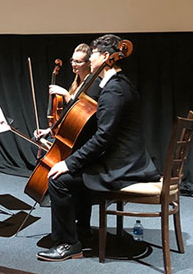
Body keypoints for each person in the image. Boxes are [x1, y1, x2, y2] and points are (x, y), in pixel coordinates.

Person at [36, 34, 160, 261]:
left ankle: (68, 243)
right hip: (126, 159)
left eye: (92, 55)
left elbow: (103, 138)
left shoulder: (114, 90)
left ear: (105, 57)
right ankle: (82, 231)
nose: (90, 60)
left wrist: (68, 162)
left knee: (58, 179)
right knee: (78, 170)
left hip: (123, 166)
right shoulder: (118, 84)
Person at [34, 43, 101, 141]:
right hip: (70, 132)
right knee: (37, 141)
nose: (73, 64)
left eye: (78, 62)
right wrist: (50, 130)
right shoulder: (76, 83)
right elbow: (66, 116)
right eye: (72, 60)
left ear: (88, 63)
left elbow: (79, 114)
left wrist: (66, 94)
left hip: (81, 136)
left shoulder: (93, 83)